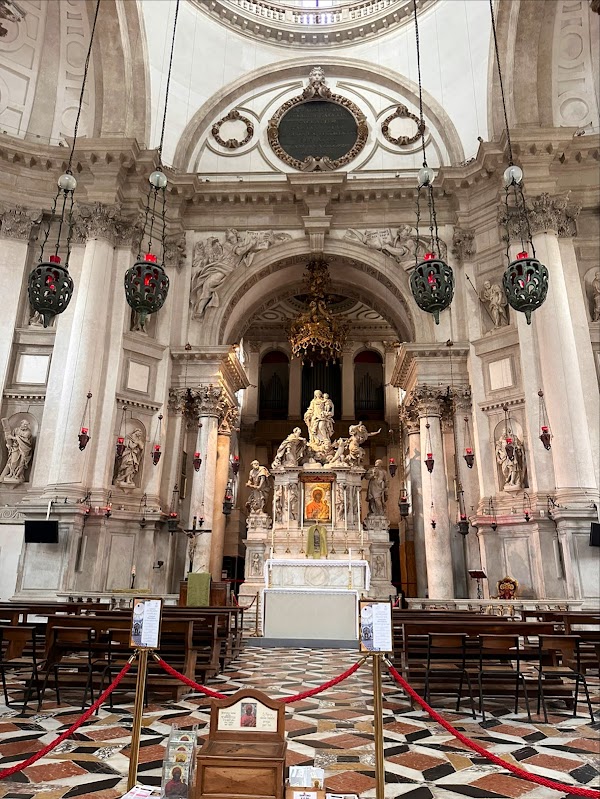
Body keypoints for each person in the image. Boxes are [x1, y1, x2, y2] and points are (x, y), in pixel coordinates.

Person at [0, 418, 34, 483]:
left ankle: (18, 475)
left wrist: (12, 437)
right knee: (13, 462)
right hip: (15, 448)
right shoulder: (16, 430)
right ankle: (12, 473)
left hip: (24, 450)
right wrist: (9, 443)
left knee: (21, 464)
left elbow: (24, 441)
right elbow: (9, 439)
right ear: (21, 424)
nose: (25, 426)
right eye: (24, 424)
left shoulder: (28, 432)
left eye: (27, 425)